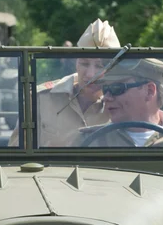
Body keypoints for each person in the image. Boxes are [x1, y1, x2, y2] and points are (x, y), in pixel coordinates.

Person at [8, 18, 121, 147]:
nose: (90, 74)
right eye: (84, 63)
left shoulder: (123, 103)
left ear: (114, 68)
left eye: (100, 66)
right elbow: (17, 151)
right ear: (76, 62)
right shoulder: (40, 98)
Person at [72, 58, 163, 147]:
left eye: (116, 89)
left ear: (149, 91)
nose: (106, 97)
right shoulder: (88, 141)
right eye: (105, 89)